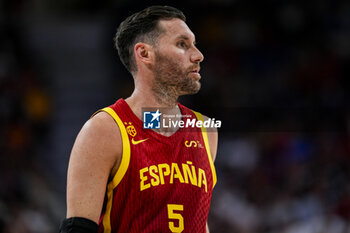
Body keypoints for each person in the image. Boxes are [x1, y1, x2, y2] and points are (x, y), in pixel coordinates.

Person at [59, 5, 218, 233]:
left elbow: (198, 222)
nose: (198, 55)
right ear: (144, 54)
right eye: (182, 44)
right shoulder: (104, 130)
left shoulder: (205, 130)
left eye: (194, 44)